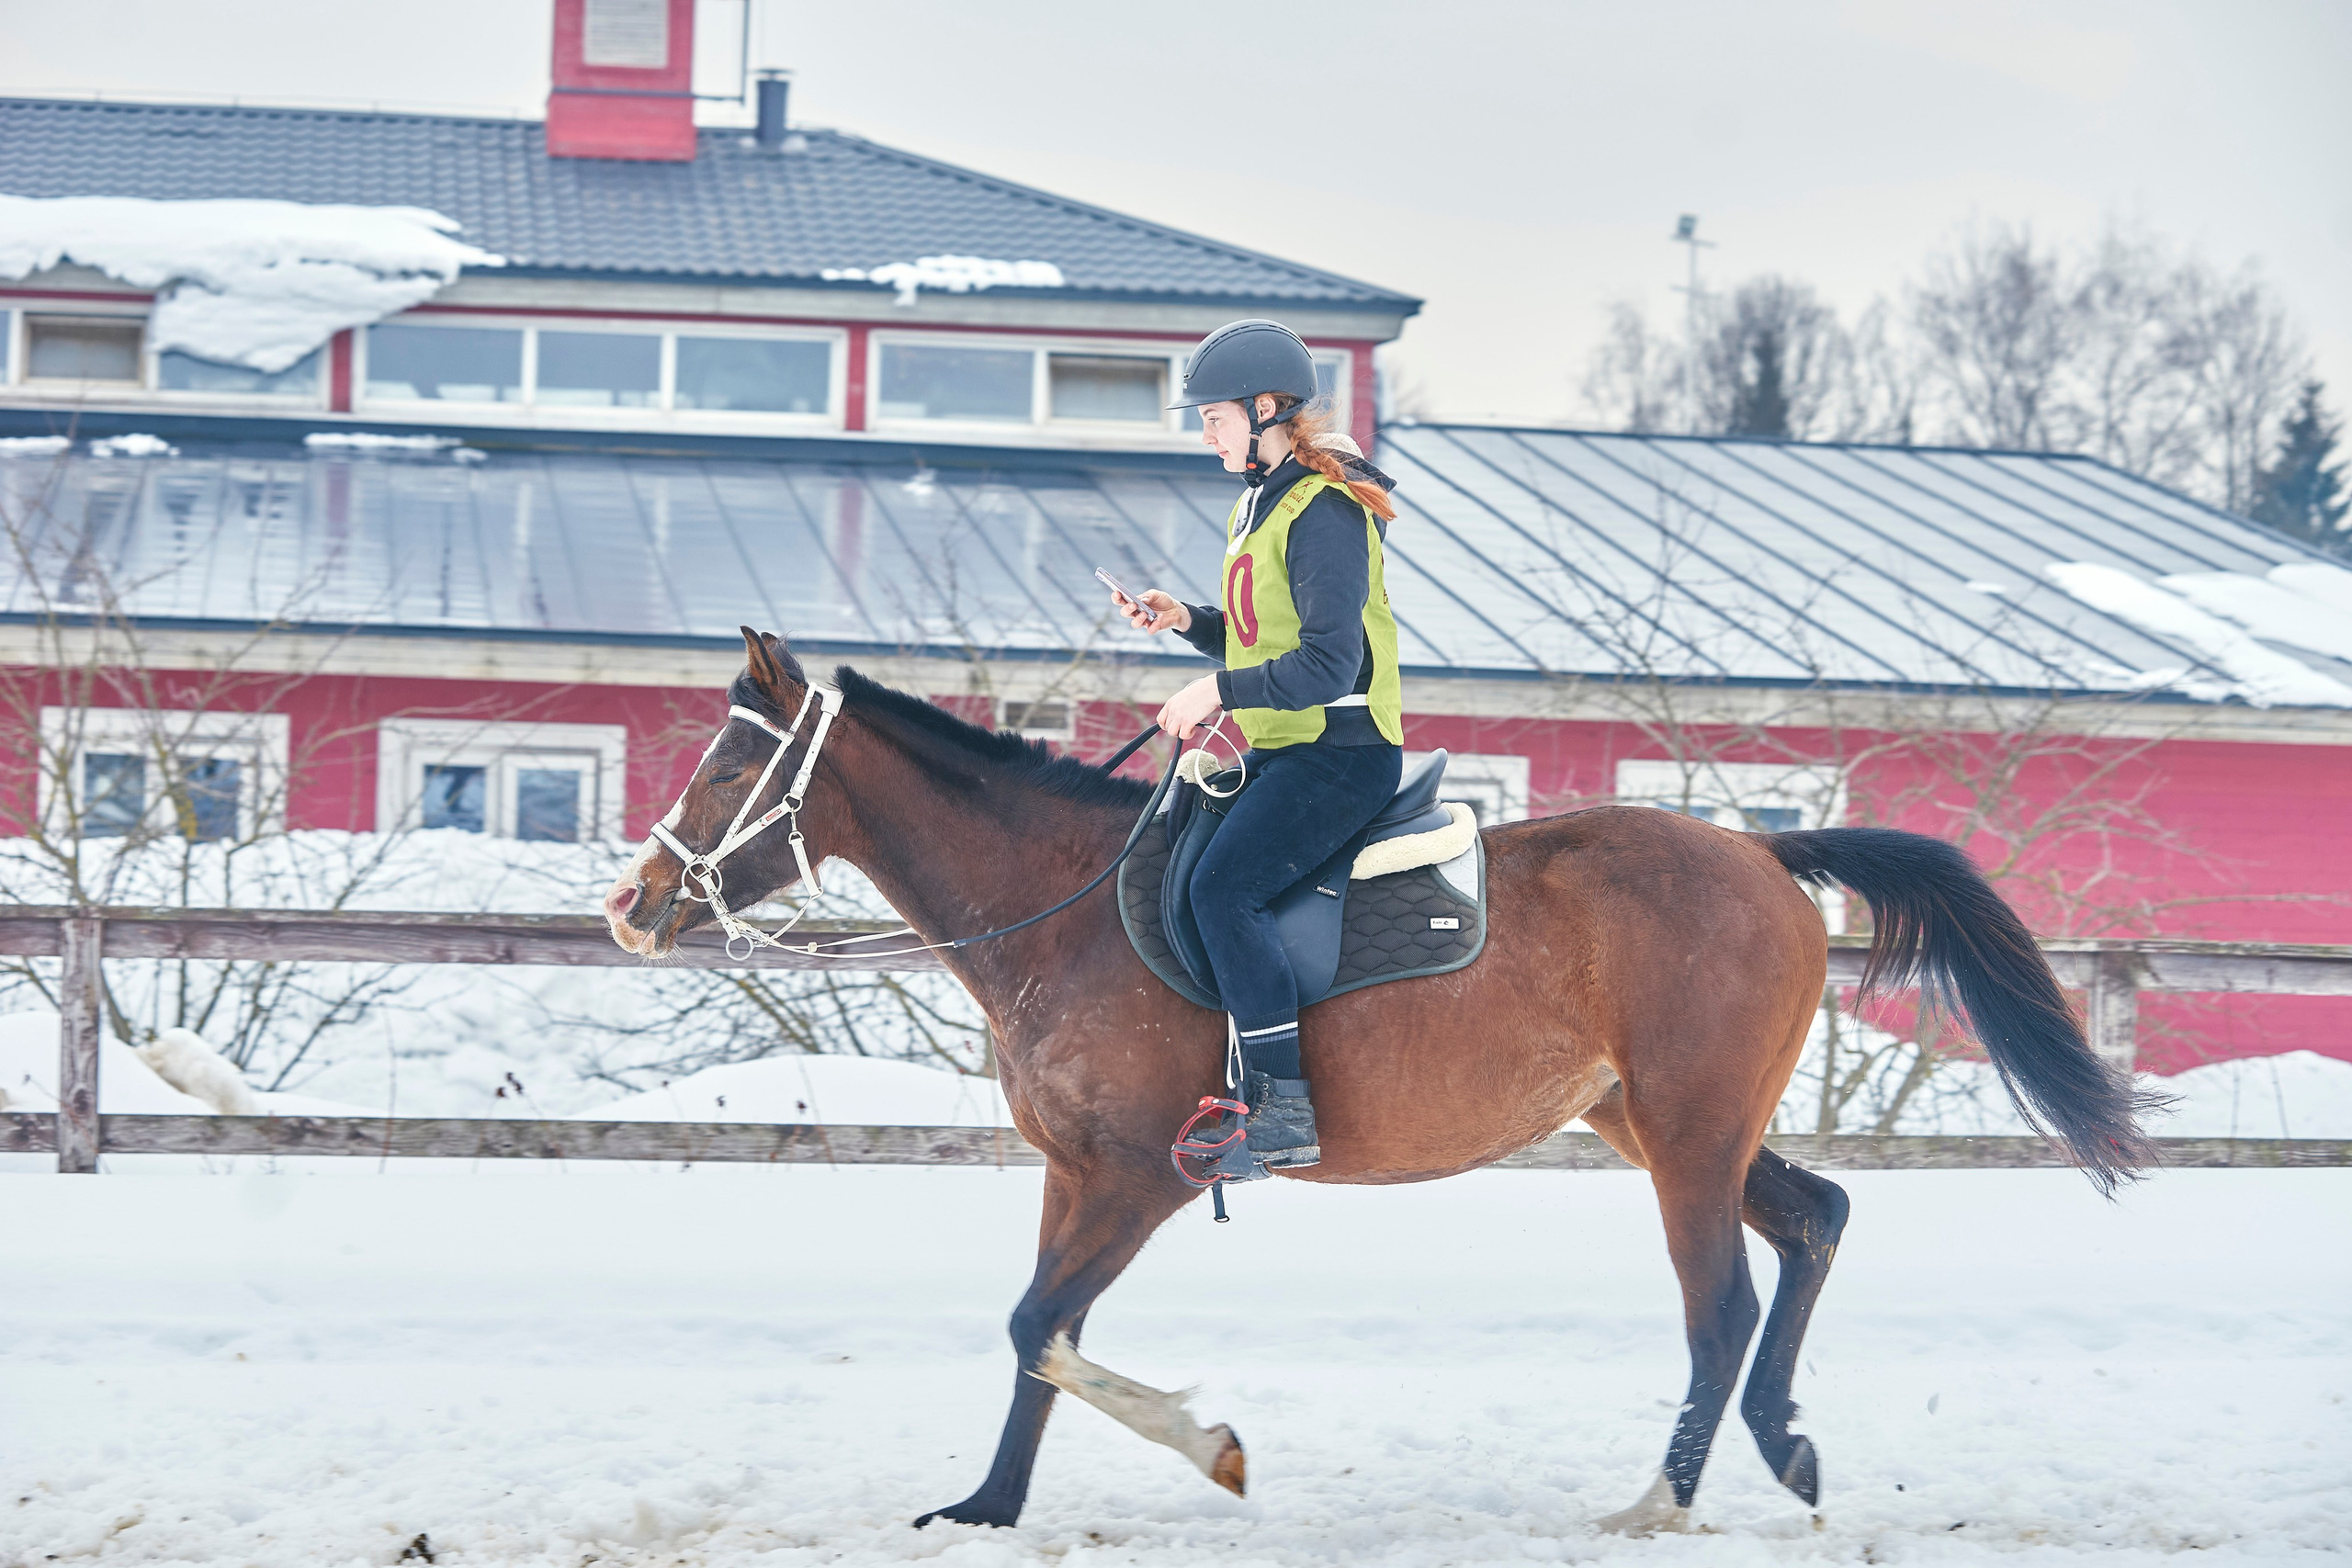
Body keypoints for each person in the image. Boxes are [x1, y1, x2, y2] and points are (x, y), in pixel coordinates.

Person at [1112, 319, 1406, 1177]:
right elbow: (1258, 638)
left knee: (1223, 888)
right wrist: (1187, 621)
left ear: (1267, 408)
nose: (1207, 433)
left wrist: (1216, 690)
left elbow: (1327, 664)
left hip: (1342, 752)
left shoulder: (1325, 509)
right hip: (1287, 749)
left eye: (1215, 417)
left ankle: (1282, 1104)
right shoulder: (1259, 503)